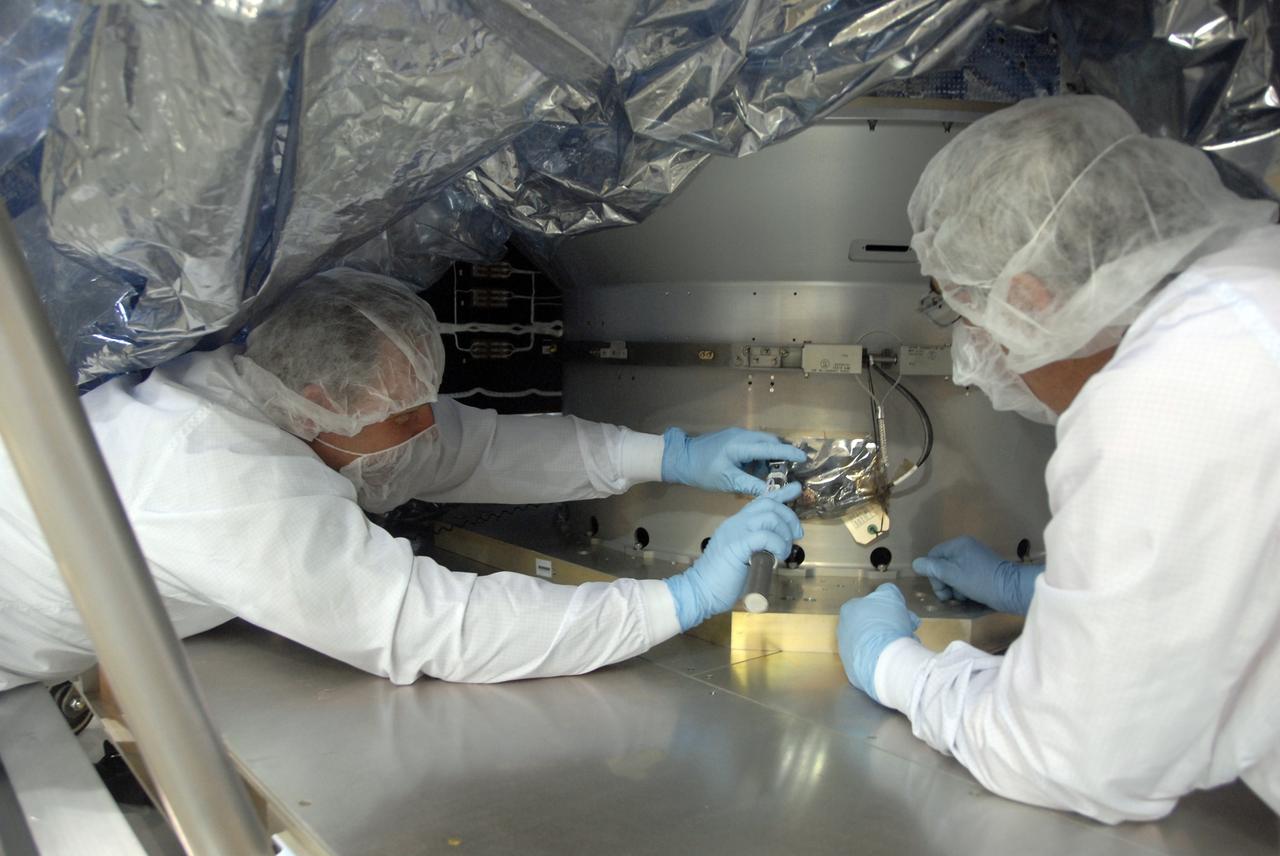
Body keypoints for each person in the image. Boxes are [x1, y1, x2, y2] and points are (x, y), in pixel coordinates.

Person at [0, 269, 805, 688]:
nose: (427, 428)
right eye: (404, 413)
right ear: (320, 406)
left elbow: (479, 447)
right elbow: (432, 627)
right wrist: (678, 599)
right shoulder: (212, 474)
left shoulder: (294, 398)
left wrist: (668, 454)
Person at [835, 95, 1280, 823]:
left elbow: (1070, 758)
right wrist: (1040, 593)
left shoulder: (1159, 395)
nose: (984, 361)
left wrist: (897, 669)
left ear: (1032, 298)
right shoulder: (1253, 283)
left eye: (982, 328)